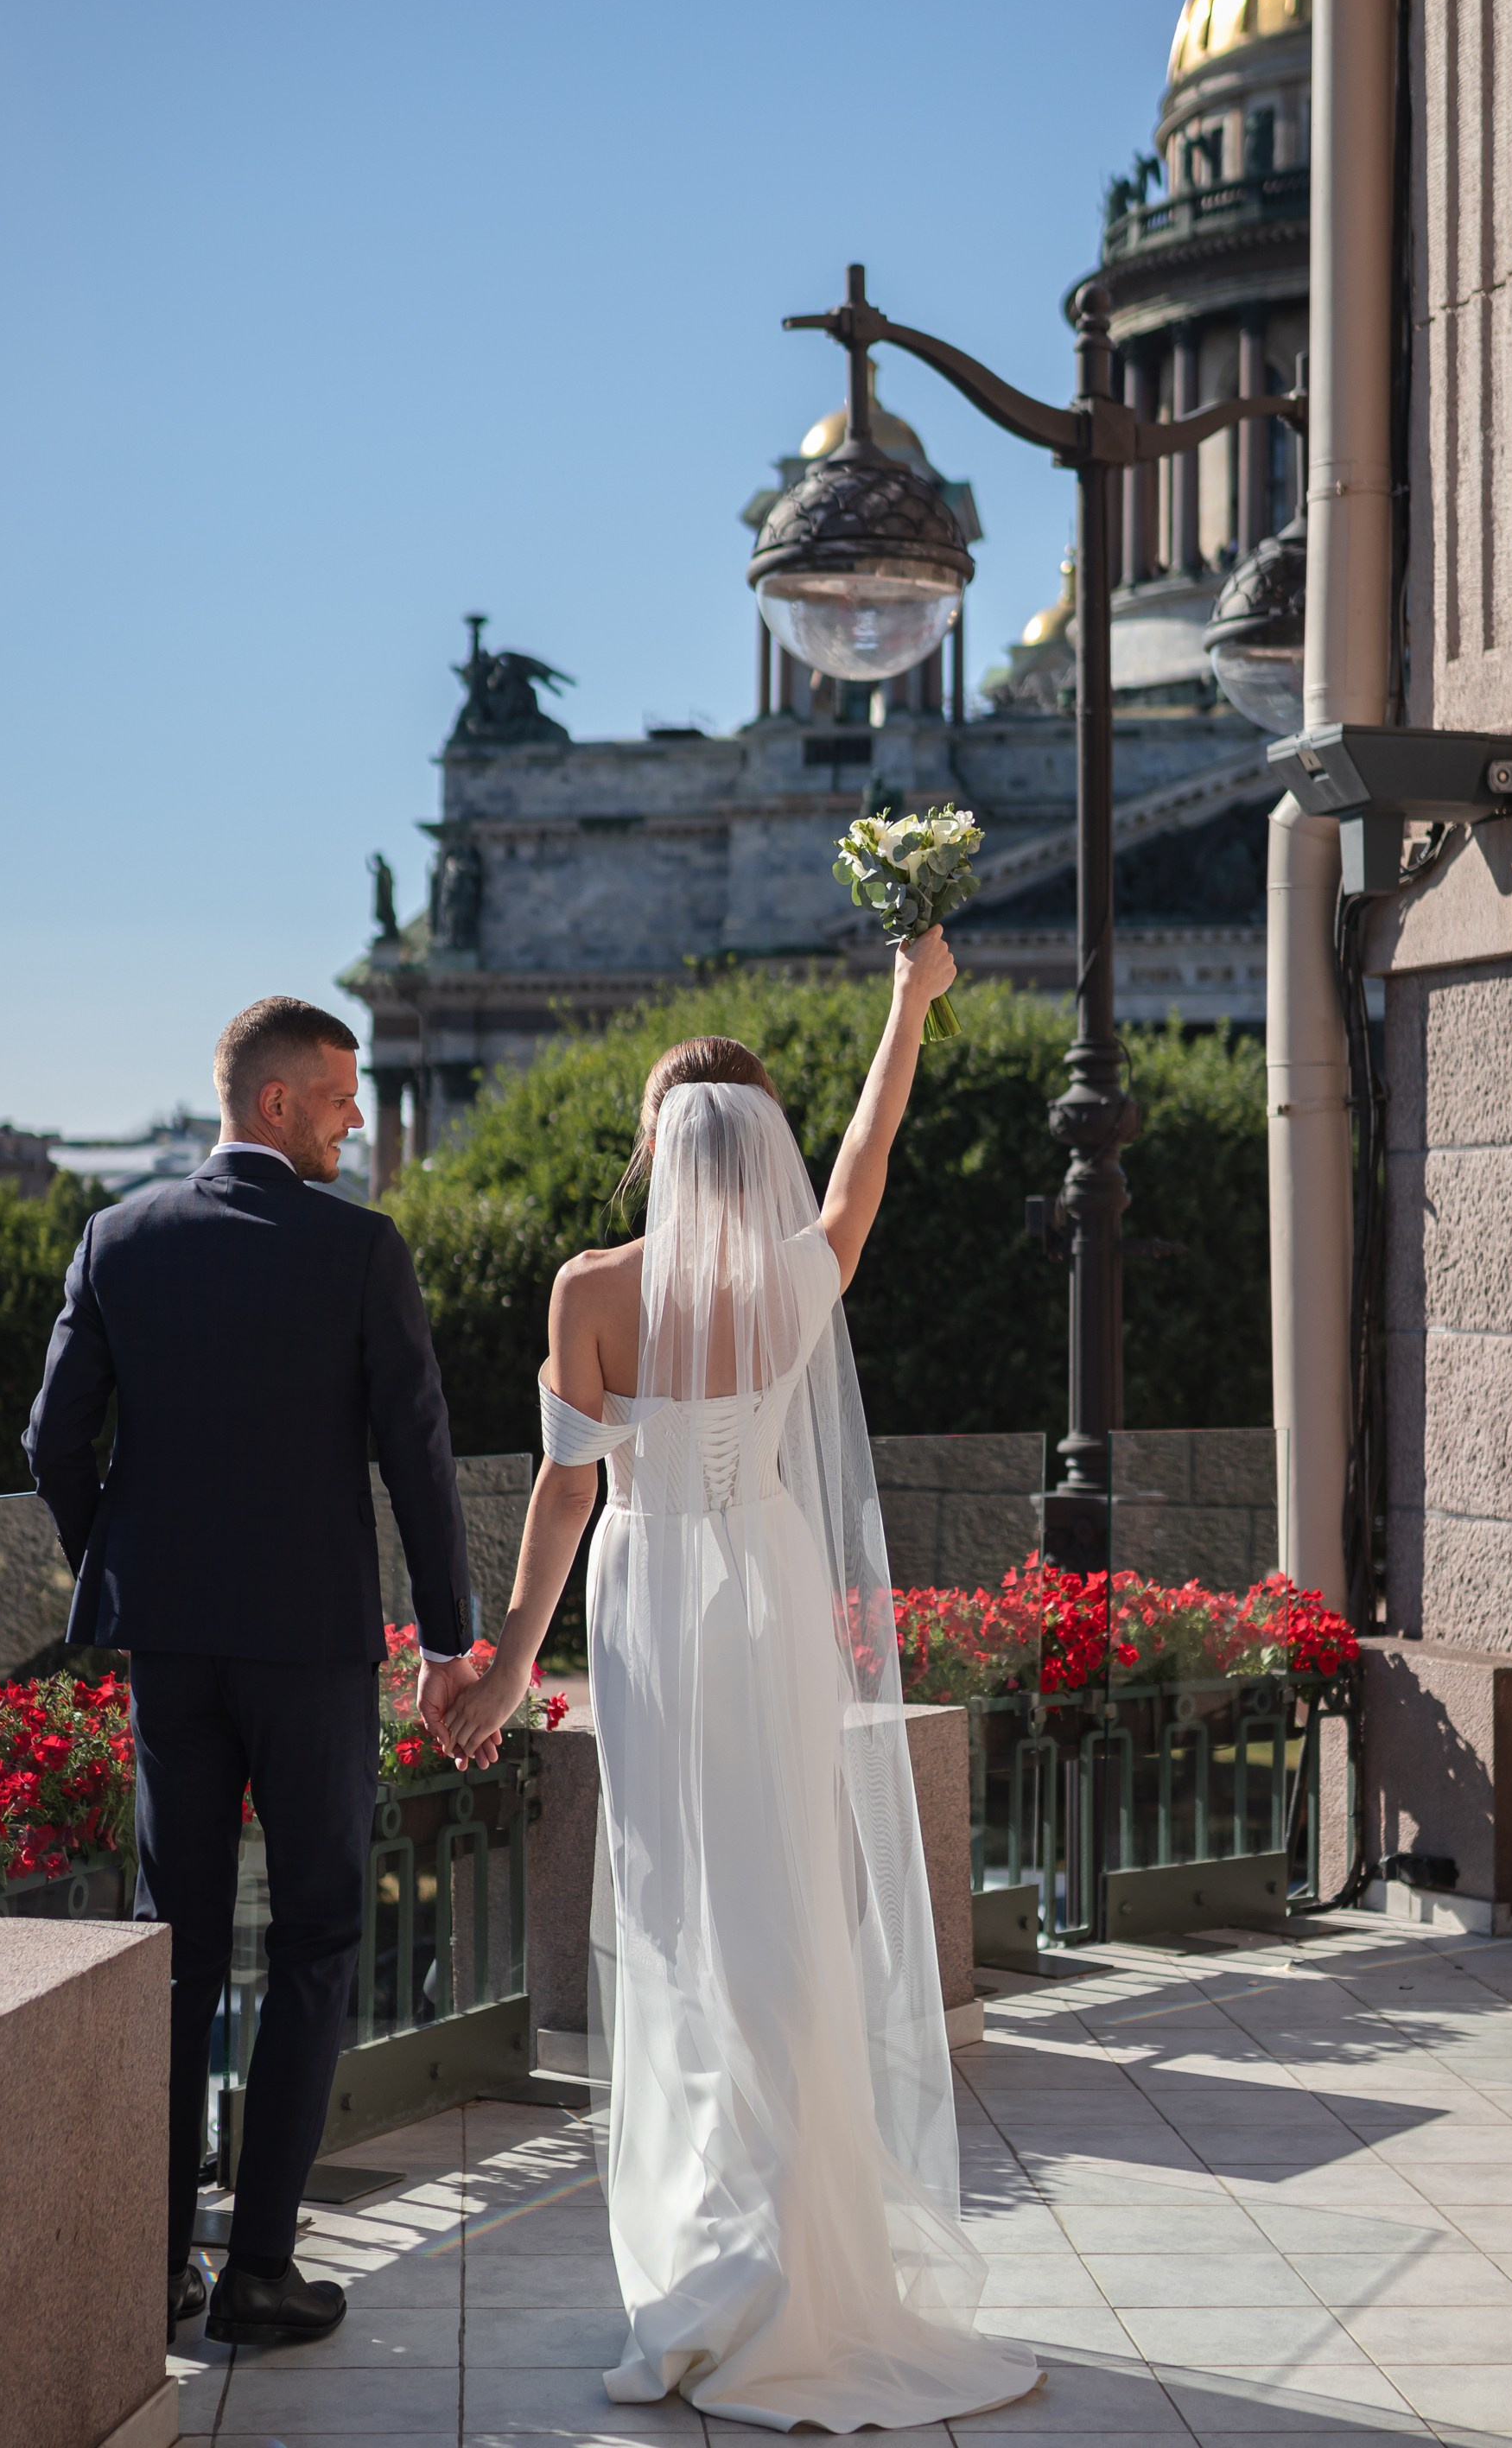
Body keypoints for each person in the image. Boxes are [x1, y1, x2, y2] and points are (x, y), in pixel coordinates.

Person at [441, 928, 1040, 2432]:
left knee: (680, 1905)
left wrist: (512, 1668)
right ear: (757, 1149)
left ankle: (715, 2246)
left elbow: (565, 1497)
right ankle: (793, 2245)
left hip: (649, 1601)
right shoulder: (800, 1274)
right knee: (776, 1897)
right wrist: (912, 1000)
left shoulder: (592, 1286)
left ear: (656, 1144)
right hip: (766, 1592)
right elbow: (870, 1156)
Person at [23, 998, 485, 2349]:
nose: (356, 1114)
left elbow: (57, 1442)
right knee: (321, 1941)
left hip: (169, 1646)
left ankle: (156, 2266)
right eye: (340, 1095)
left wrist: (120, 1566)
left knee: (176, 1951)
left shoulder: (120, 1239)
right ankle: (260, 2272)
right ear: (276, 1102)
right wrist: (449, 1639)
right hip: (313, 1653)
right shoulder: (359, 1251)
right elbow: (417, 1460)